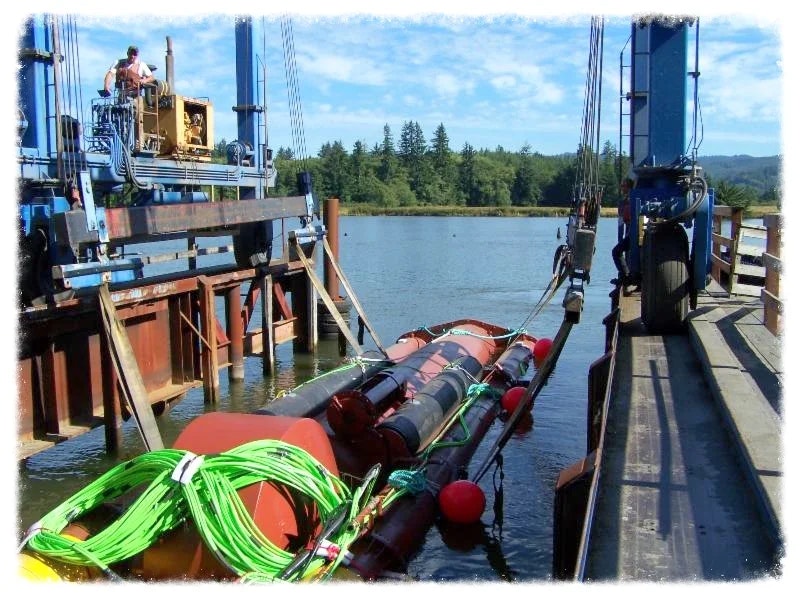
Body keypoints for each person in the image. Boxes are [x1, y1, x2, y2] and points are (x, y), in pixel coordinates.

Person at [611, 177, 635, 288]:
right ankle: (628, 275)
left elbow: (621, 223)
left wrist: (620, 239)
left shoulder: (625, 202)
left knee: (616, 252)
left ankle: (626, 277)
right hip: (632, 234)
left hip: (632, 235)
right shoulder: (636, 198)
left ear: (629, 187)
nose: (621, 188)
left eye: (623, 186)